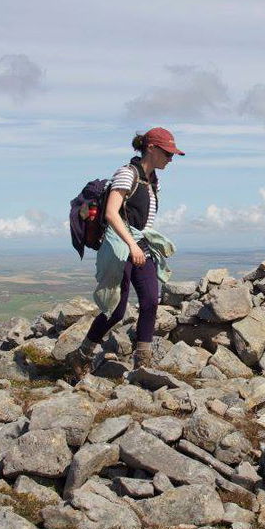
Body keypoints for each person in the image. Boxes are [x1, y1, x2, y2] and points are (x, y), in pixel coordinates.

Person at [66, 127, 183, 377]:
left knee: (151, 301)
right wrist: (130, 244)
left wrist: (139, 244)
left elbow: (142, 221)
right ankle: (81, 355)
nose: (171, 159)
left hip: (141, 245)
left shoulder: (152, 181)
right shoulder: (126, 174)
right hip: (119, 246)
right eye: (168, 153)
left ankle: (142, 363)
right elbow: (111, 213)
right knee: (116, 310)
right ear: (151, 148)